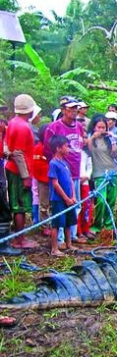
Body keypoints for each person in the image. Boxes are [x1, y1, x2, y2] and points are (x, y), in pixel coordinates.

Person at [44, 96, 87, 244]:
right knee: (61, 205)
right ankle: (60, 240)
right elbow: (47, 149)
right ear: (63, 110)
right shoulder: (54, 127)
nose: (74, 111)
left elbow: (81, 146)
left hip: (74, 170)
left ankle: (72, 236)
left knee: (75, 204)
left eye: (76, 108)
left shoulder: (79, 126)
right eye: (71, 108)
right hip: (60, 171)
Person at [4, 94, 39, 251]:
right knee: (20, 205)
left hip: (14, 168)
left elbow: (8, 146)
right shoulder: (22, 127)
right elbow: (18, 153)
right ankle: (19, 239)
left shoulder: (13, 122)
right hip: (19, 171)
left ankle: (20, 236)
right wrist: (26, 176)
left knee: (19, 204)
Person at [87, 115, 117, 239]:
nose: (101, 129)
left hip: (112, 172)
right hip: (99, 173)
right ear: (94, 127)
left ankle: (109, 225)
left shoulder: (109, 139)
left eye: (103, 127)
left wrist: (113, 141)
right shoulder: (91, 139)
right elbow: (88, 150)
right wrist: (93, 137)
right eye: (99, 127)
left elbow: (115, 155)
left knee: (111, 200)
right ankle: (96, 225)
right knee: (101, 199)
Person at [47, 135, 79, 256]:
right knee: (56, 223)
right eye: (66, 146)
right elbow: (55, 183)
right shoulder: (53, 164)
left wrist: (73, 196)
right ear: (58, 148)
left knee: (68, 222)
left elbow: (70, 180)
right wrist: (65, 198)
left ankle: (68, 244)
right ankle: (54, 248)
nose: (69, 148)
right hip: (58, 199)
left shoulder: (65, 163)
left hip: (69, 199)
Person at [32, 124, 51, 236]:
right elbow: (37, 166)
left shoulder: (52, 147)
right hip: (43, 180)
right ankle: (44, 226)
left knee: (53, 203)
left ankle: (52, 224)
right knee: (44, 205)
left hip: (53, 180)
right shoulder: (38, 148)